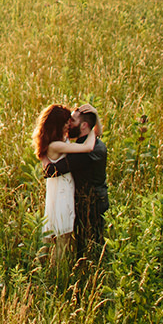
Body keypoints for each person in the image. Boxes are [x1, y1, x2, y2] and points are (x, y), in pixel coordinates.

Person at [31, 104, 97, 253]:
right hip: (62, 192)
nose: (69, 124)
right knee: (63, 233)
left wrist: (94, 116)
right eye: (66, 122)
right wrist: (91, 130)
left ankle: (44, 264)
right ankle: (56, 268)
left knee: (52, 231)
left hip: (58, 190)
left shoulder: (59, 141)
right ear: (58, 124)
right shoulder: (56, 145)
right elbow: (88, 147)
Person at [64, 104, 108, 258]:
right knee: (93, 241)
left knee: (89, 244)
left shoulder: (86, 152)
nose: (69, 123)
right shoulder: (93, 142)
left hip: (90, 203)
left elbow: (56, 169)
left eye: (72, 120)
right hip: (96, 199)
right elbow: (96, 132)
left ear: (84, 126)